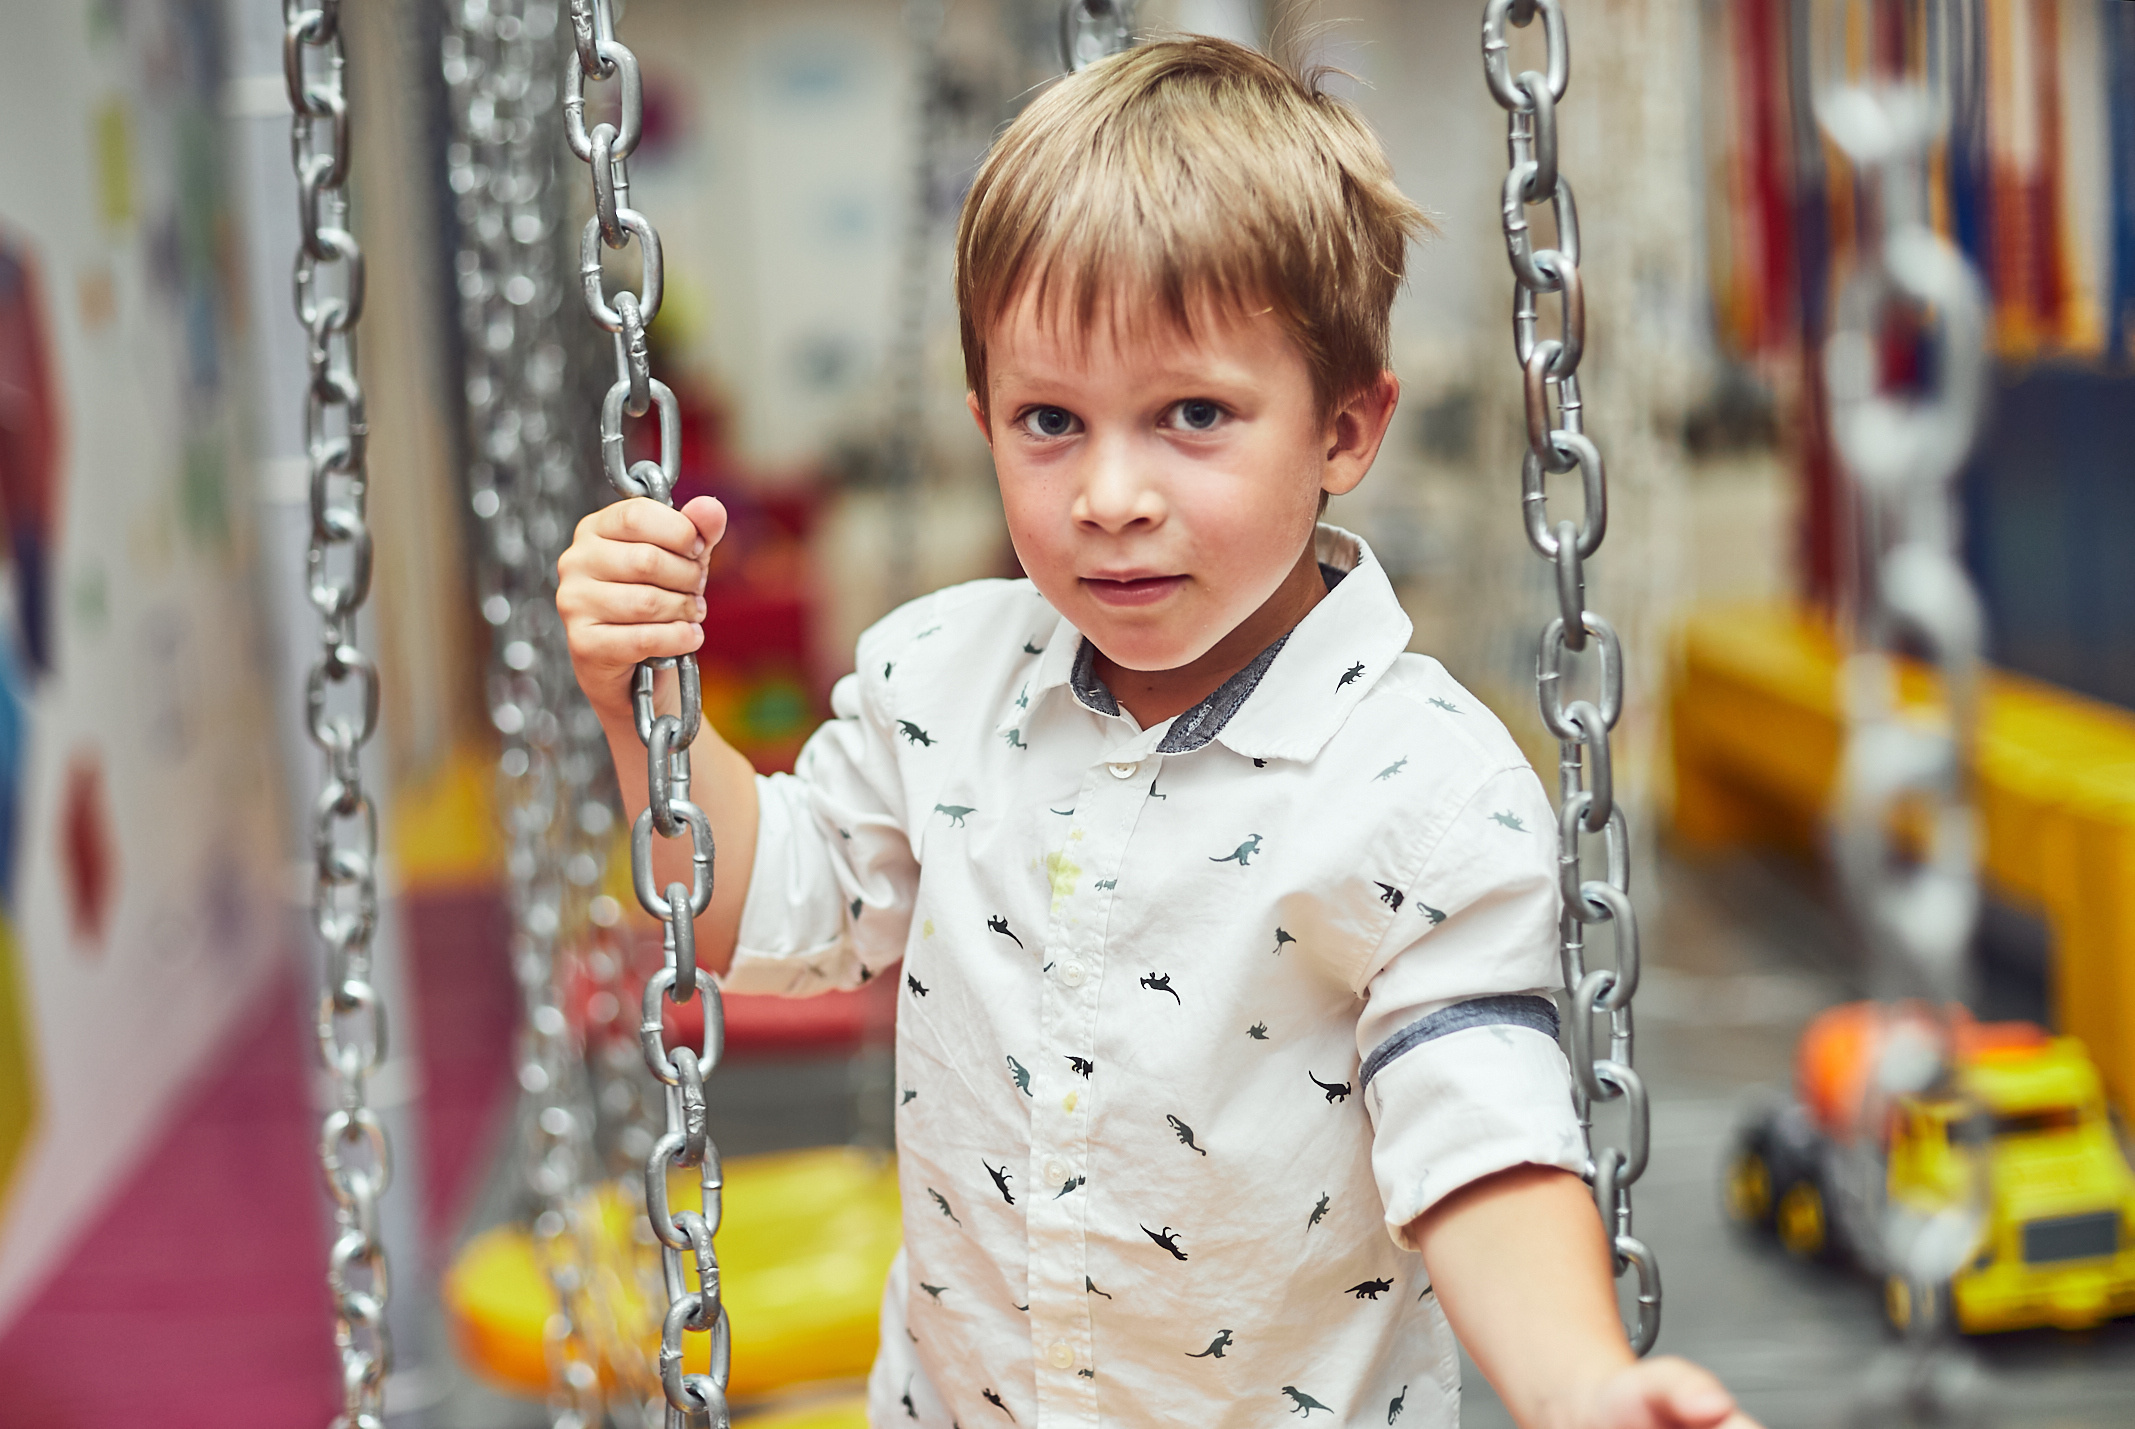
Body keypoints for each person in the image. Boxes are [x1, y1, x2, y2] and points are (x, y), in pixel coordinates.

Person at [558, 35, 1756, 1429]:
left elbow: (1478, 1125)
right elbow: (754, 899)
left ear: (1346, 427)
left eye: (1194, 414)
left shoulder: (1422, 788)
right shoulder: (940, 683)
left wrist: (1579, 1384)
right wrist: (642, 698)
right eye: (1049, 421)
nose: (1111, 493)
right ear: (982, 421)